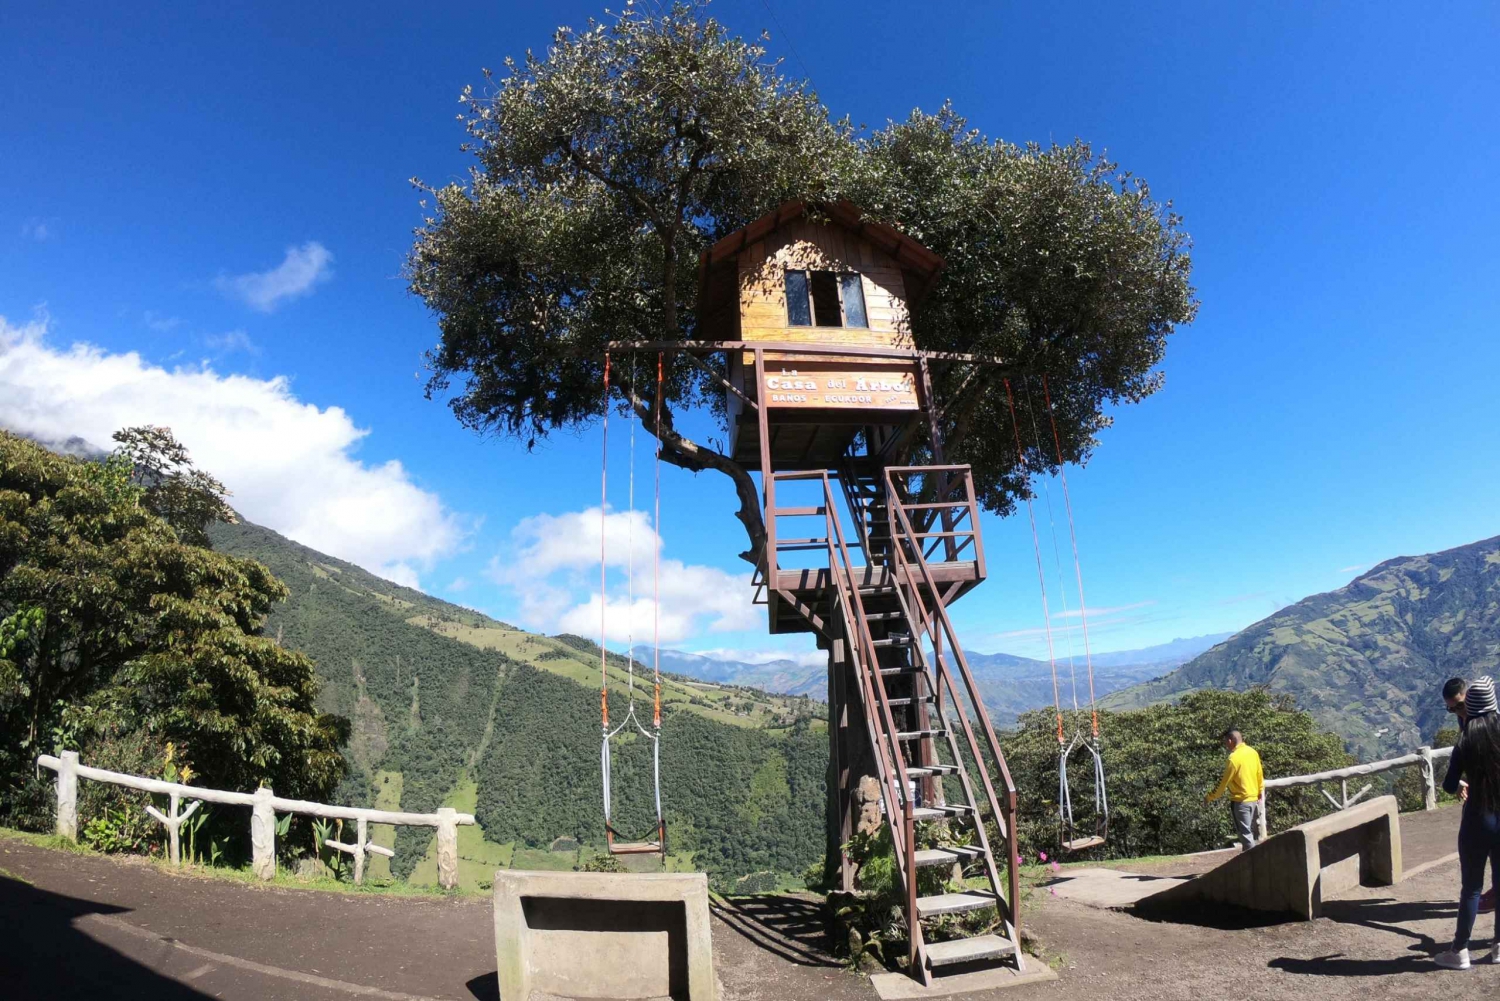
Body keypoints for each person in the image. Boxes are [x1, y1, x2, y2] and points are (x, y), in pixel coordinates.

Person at [1435, 675, 1500, 970]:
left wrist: (1464, 780)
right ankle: (1498, 947)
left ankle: (1459, 952)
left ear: (1471, 705)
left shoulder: (1466, 739)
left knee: (1471, 888)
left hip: (1477, 818)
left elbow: (1449, 786)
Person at [1442, 677, 1496, 915]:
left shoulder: (1489, 724)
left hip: (1488, 806)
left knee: (1472, 884)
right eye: (1450, 708)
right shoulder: (1465, 723)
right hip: (1484, 798)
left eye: (1459, 706)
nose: (1456, 712)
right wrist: (1467, 781)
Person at [1206, 728, 1265, 850]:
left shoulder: (1233, 758)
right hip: (1253, 799)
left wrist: (1210, 797)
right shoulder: (1252, 752)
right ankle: (1250, 860)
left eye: (1226, 742)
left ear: (1230, 740)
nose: (1226, 745)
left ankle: (1254, 862)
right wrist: (1259, 792)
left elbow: (1223, 782)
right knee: (1249, 832)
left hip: (1240, 801)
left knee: (1245, 834)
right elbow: (1259, 774)